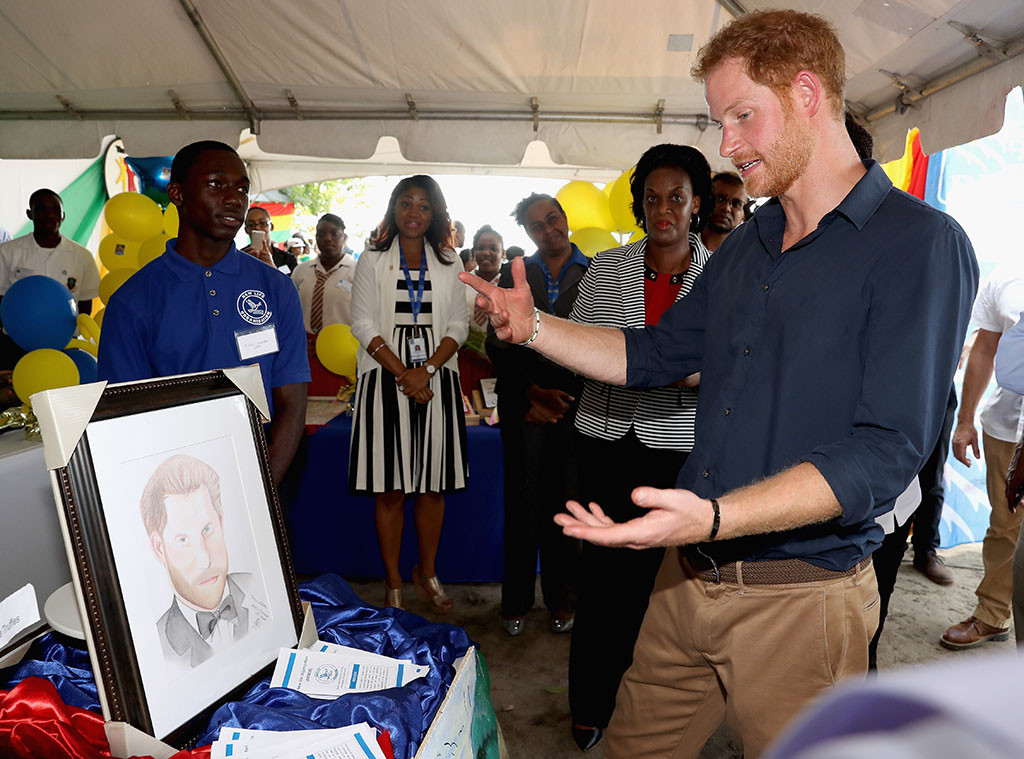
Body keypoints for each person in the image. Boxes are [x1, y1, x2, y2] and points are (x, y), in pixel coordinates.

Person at [462, 10, 977, 756]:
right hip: (688, 580)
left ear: (807, 94)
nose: (727, 144)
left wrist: (708, 518)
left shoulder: (920, 244)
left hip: (801, 599)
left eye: (743, 115)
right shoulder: (747, 246)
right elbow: (651, 354)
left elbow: (883, 455)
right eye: (719, 120)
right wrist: (535, 326)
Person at [567, 143, 714, 752]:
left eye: (675, 197)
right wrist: (629, 367)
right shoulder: (605, 269)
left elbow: (736, 364)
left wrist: (691, 375)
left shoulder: (725, 274)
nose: (663, 209)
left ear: (696, 205)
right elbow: (579, 349)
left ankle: (646, 709)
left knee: (662, 592)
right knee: (600, 584)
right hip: (605, 444)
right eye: (652, 198)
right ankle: (589, 703)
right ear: (638, 206)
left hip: (677, 453)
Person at [97, 141, 309, 488]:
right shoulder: (133, 301)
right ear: (177, 193)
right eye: (216, 183)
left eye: (242, 188)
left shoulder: (276, 289)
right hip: (174, 485)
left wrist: (262, 486)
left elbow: (292, 398)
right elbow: (126, 415)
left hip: (264, 469)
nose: (234, 198)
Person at [348, 175, 468, 613]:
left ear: (434, 213)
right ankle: (394, 579)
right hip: (385, 380)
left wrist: (428, 370)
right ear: (393, 210)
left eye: (422, 205)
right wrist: (405, 374)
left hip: (436, 379)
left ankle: (427, 571)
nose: (413, 213)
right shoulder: (371, 259)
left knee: (433, 487)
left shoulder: (450, 261)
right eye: (405, 203)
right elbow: (362, 324)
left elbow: (459, 324)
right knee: (391, 490)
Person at [487, 193, 588, 638]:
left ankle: (564, 599)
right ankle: (516, 602)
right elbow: (496, 342)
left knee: (567, 507)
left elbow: (603, 338)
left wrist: (560, 398)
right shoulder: (515, 273)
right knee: (523, 506)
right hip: (524, 405)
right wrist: (532, 392)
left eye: (553, 219)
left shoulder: (597, 271)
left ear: (565, 219)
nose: (549, 230)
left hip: (575, 408)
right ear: (527, 234)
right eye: (536, 226)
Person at [940, 263, 1024, 649]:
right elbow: (985, 348)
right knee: (1004, 525)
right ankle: (992, 613)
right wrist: (965, 420)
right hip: (1006, 427)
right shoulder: (1006, 277)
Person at [142, 454, 267, 668]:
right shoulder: (154, 653)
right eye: (183, 540)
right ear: (159, 548)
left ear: (221, 522)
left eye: (207, 530)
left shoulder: (264, 589)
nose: (205, 560)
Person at [0, 189, 101, 368]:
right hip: (16, 343)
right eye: (41, 209)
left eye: (55, 210)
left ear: (63, 215)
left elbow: (85, 305)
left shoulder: (81, 256)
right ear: (30, 214)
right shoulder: (8, 252)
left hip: (65, 345)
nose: (49, 215)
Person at [292, 213, 357, 397]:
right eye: (321, 234)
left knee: (339, 408)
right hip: (306, 352)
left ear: (344, 237)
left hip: (342, 352)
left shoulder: (357, 271)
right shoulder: (302, 271)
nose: (327, 238)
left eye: (334, 233)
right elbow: (289, 312)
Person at [458, 224, 505, 398]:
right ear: (473, 252)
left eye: (493, 248)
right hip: (469, 360)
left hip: (505, 363)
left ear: (503, 253)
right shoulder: (461, 283)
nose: (486, 253)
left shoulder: (510, 286)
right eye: (480, 248)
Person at [699, 172, 748, 251]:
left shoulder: (744, 257)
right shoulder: (681, 240)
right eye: (720, 199)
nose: (726, 208)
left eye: (736, 203)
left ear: (744, 216)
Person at [242, 205, 298, 273]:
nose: (257, 228)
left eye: (262, 223)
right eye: (251, 225)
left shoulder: (288, 259)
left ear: (271, 227)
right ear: (246, 230)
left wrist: (272, 267)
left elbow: (291, 283)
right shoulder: (239, 257)